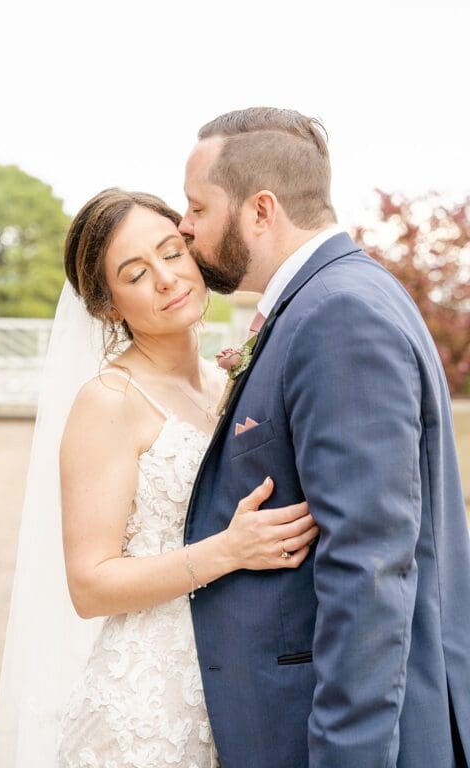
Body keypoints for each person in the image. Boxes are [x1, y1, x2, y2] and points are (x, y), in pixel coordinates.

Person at [180, 107, 470, 767]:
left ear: (260, 210)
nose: (184, 225)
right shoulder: (331, 298)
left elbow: (368, 566)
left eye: (197, 206)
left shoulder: (336, 314)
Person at [0, 189, 319, 767]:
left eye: (172, 253)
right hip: (150, 707)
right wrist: (229, 551)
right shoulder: (108, 401)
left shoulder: (227, 386)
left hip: (237, 688)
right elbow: (90, 586)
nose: (166, 279)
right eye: (136, 273)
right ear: (109, 306)